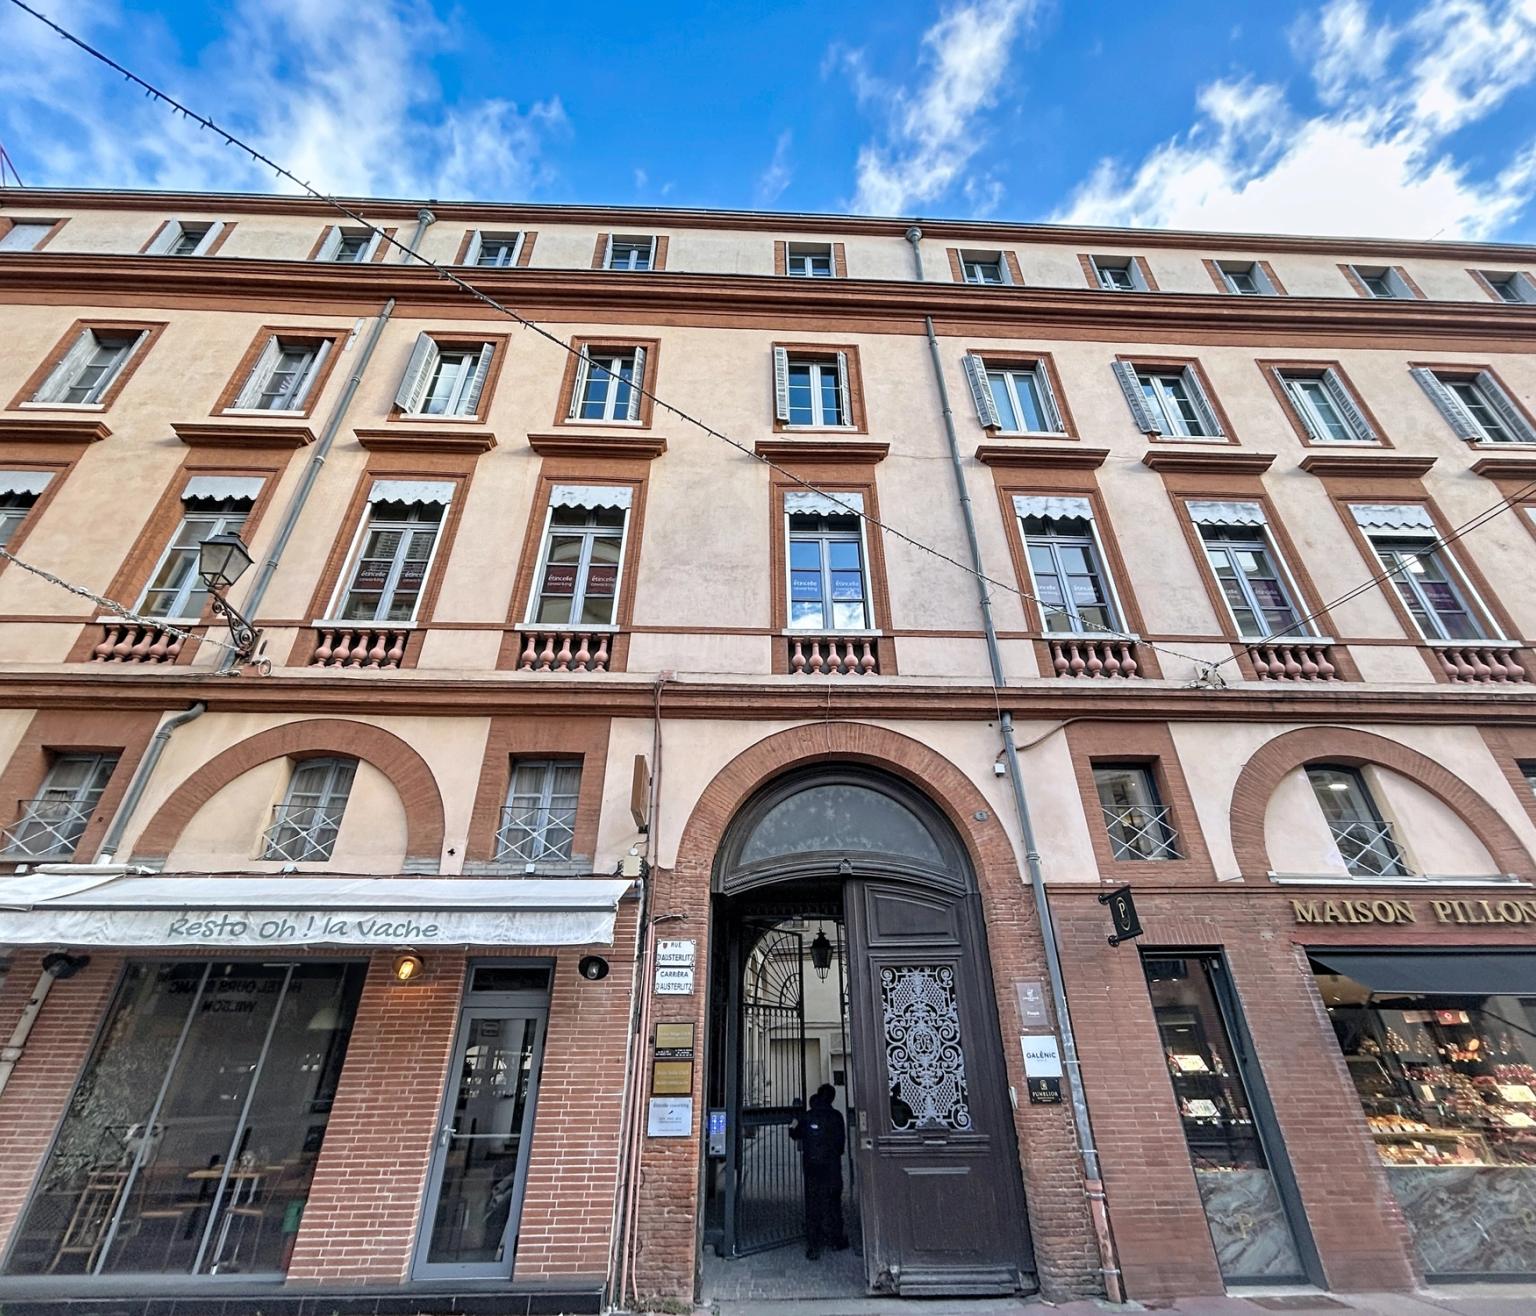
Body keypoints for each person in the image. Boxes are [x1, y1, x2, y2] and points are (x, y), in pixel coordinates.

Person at [788, 1083, 848, 1259]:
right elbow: (841, 1145)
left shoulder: (807, 1116)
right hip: (832, 1168)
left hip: (812, 1167)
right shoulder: (836, 1117)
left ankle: (813, 1246)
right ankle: (836, 1239)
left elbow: (794, 1134)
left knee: (813, 1203)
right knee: (833, 1202)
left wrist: (793, 1119)